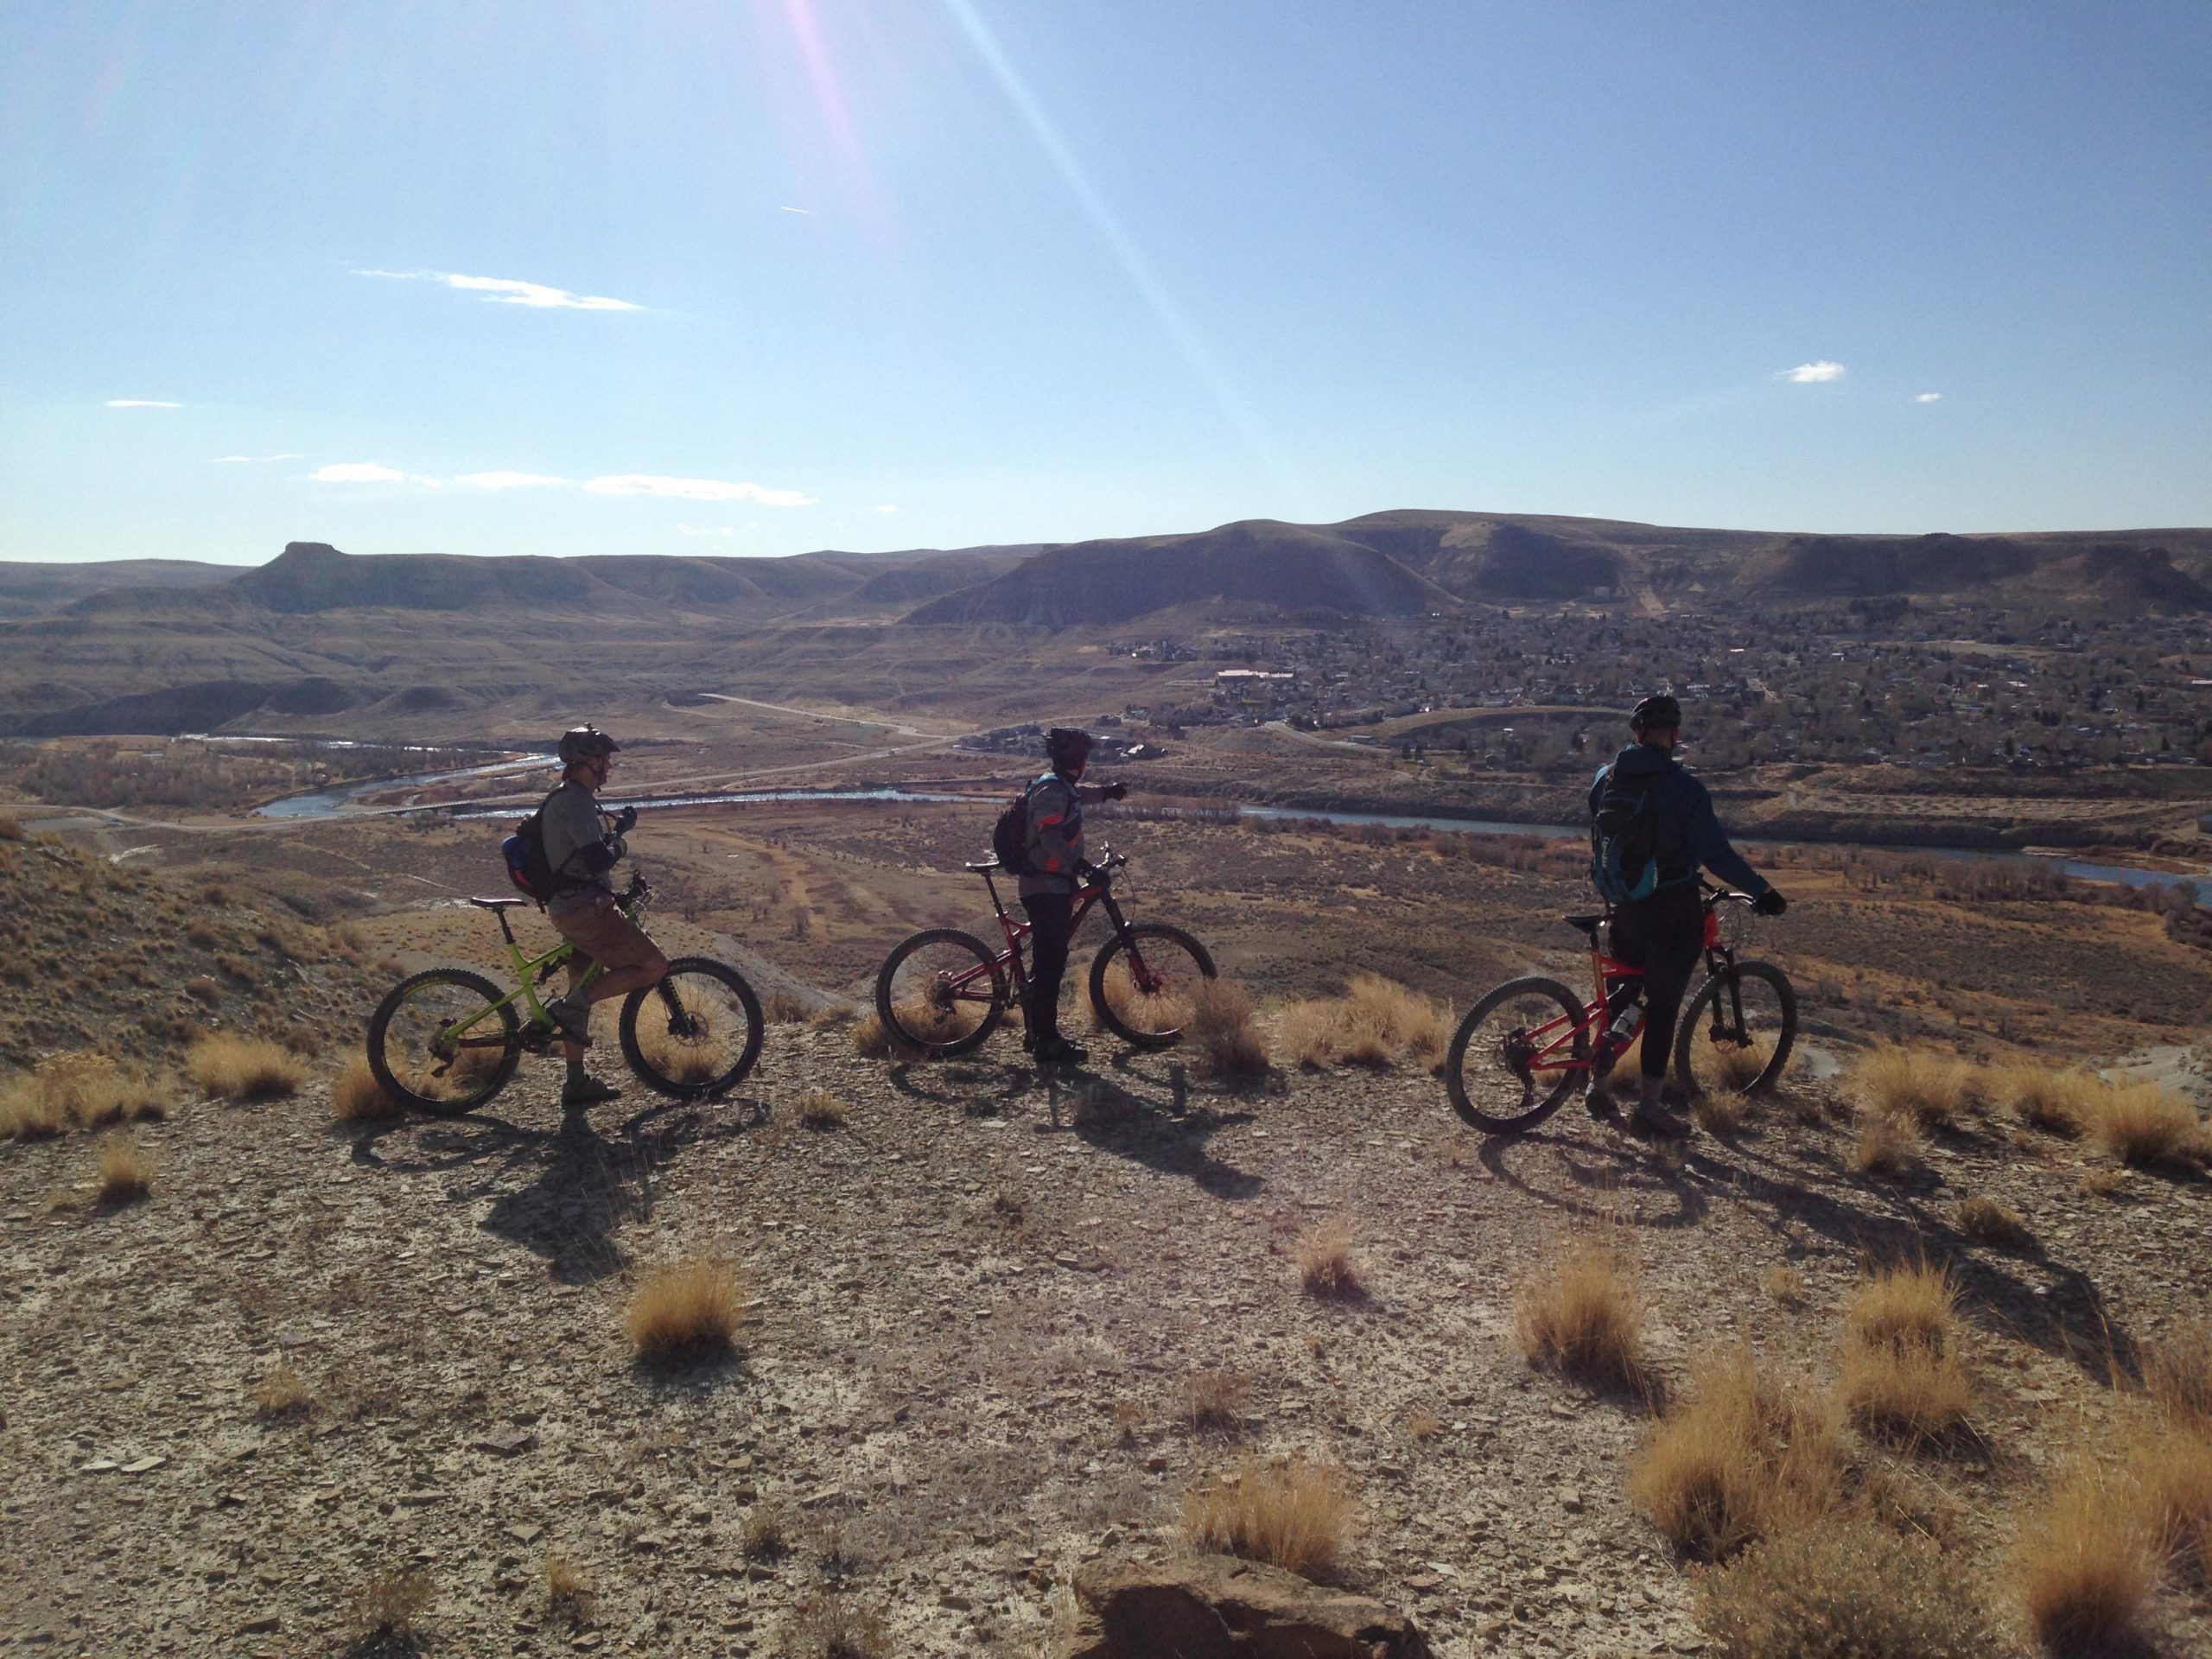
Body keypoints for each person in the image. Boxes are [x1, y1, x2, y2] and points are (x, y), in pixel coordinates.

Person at [1588, 694, 1786, 1138]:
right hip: (1673, 912)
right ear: (1674, 736)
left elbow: (1598, 834)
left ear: (1636, 733)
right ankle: (1650, 1108)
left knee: (1623, 997)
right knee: (1662, 1007)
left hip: (1622, 906)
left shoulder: (1606, 778)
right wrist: (1764, 891)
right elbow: (1717, 854)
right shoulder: (1686, 789)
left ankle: (1597, 1085)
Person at [537, 725, 669, 1108]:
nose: (608, 766)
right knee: (654, 966)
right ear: (586, 762)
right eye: (603, 759)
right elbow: (597, 859)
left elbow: (588, 852)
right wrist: (622, 843)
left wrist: (616, 831)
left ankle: (575, 1083)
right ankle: (570, 1007)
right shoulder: (575, 802)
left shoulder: (570, 798)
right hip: (585, 912)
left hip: (570, 908)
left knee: (580, 984)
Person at [1018, 727, 1126, 1066]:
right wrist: (1080, 864)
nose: (1087, 763)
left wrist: (1108, 792)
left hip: (1053, 884)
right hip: (1045, 886)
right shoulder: (1051, 789)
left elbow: (1079, 795)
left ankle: (1036, 1032)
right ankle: (1047, 1043)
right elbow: (1048, 834)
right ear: (1076, 760)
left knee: (1050, 960)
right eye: (1084, 757)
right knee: (1050, 964)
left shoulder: (1061, 785)